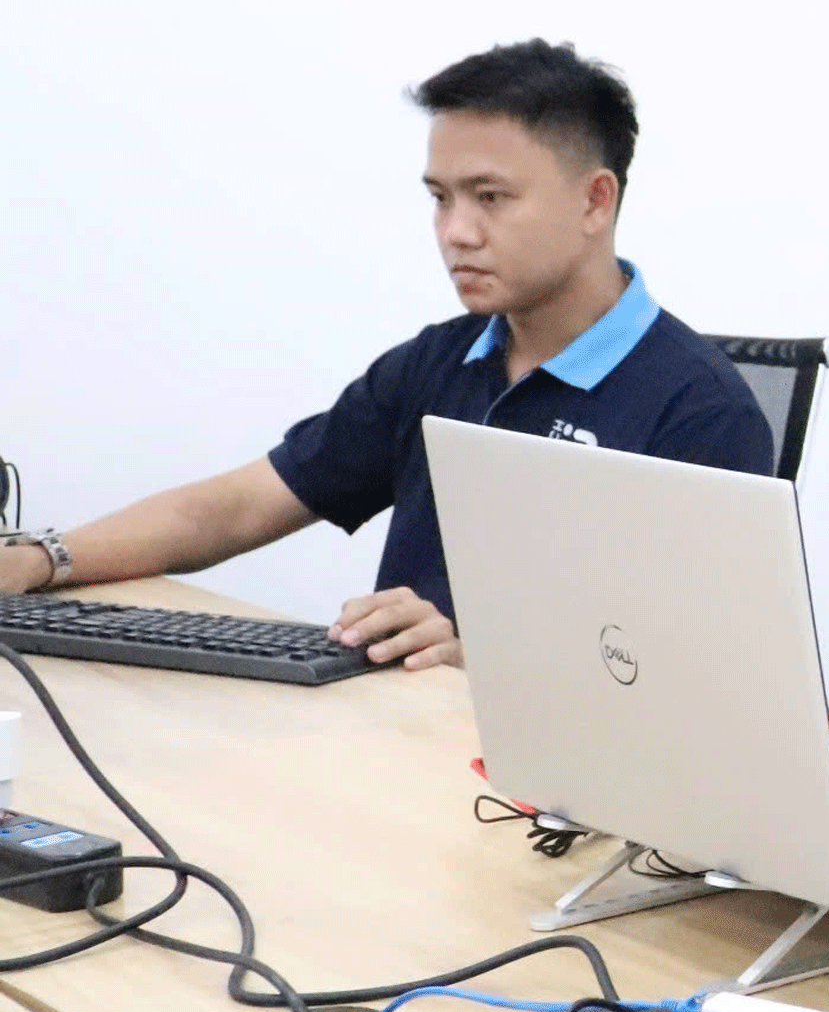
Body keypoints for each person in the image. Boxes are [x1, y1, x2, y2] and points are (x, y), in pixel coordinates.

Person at [0, 40, 774, 669]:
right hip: (396, 748)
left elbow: (689, 683)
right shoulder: (439, 362)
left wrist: (475, 660)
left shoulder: (700, 409)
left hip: (554, 807)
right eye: (440, 197)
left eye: (490, 197)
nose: (455, 231)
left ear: (594, 201)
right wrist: (40, 557)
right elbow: (238, 505)